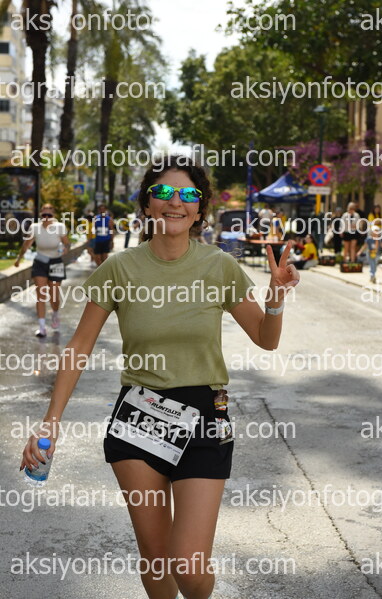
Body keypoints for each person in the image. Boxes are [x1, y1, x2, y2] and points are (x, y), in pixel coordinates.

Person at [19, 156, 300, 599]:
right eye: (163, 192)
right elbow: (78, 348)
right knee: (155, 557)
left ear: (200, 208)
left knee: (188, 565)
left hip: (205, 417)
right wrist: (50, 420)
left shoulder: (219, 266)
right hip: (138, 417)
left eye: (188, 194)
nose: (175, 202)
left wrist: (276, 300)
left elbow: (266, 339)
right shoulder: (119, 269)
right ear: (147, 203)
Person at [14, 203, 70, 337]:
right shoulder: (35, 227)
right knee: (41, 295)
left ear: (53, 215)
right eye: (44, 214)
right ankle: (42, 327)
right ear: (40, 214)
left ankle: (55, 313)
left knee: (54, 296)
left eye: (49, 215)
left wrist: (65, 249)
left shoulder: (59, 227)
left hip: (56, 262)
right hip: (40, 262)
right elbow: (26, 244)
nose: (46, 217)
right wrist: (19, 258)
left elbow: (67, 243)